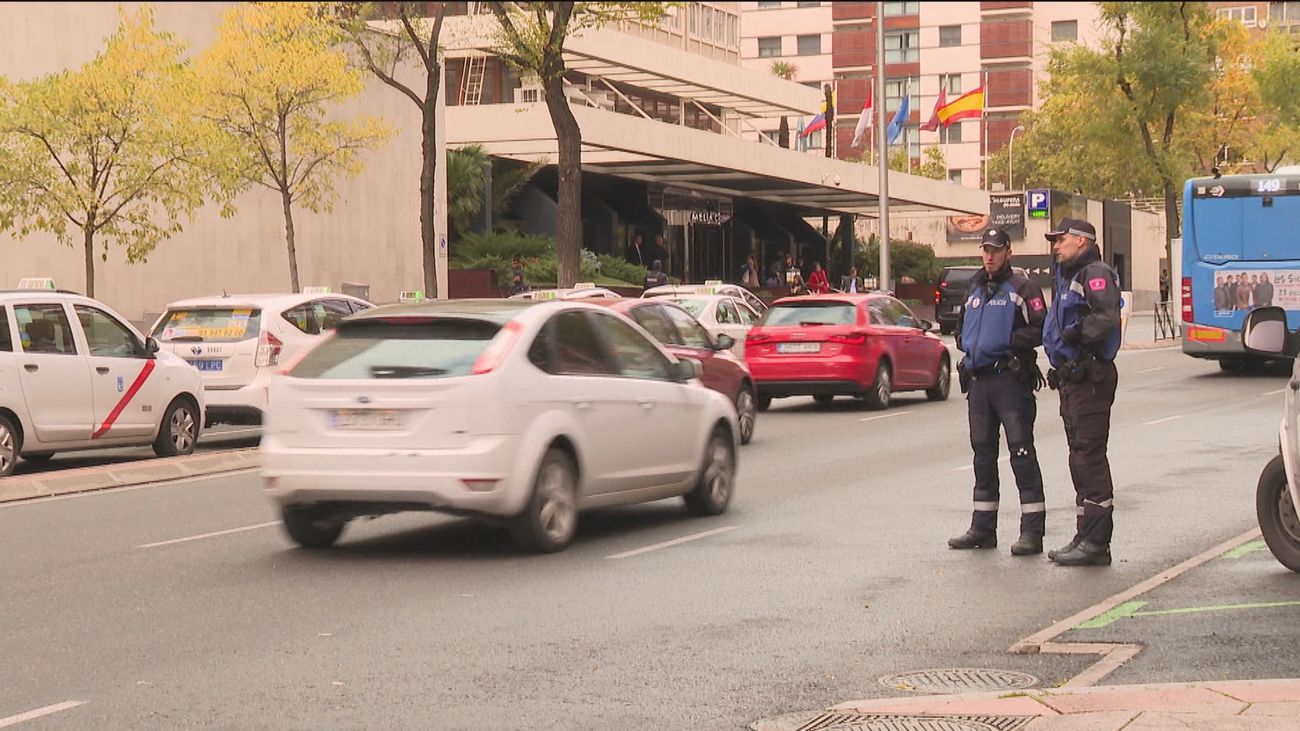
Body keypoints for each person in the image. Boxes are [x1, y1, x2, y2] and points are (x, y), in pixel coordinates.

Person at [948, 228, 1049, 556]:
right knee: (983, 455)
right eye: (985, 250)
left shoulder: (1022, 287)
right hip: (979, 382)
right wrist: (967, 343)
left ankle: (1032, 532)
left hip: (1008, 380)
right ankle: (982, 528)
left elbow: (1041, 327)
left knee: (1020, 453)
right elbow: (961, 326)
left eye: (995, 249)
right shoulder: (975, 286)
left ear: (1008, 251)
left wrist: (1008, 341)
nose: (989, 256)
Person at [1041, 217, 1122, 567]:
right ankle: (1085, 534)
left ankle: (1096, 543)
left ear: (1081, 240)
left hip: (1090, 376)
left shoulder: (1095, 272)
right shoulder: (1069, 275)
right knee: (1079, 458)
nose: (1056, 246)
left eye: (1061, 240)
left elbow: (1106, 317)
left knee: (1089, 457)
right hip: (1074, 378)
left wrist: (1077, 335)